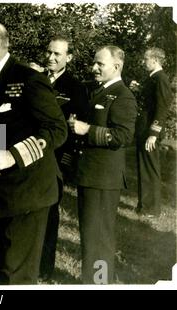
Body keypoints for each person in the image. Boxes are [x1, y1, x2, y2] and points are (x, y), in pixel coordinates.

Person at [0, 19, 67, 284]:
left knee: (16, 277)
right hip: (0, 196)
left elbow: (56, 129)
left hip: (29, 195)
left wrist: (12, 155)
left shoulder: (29, 79)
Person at [69, 45, 137, 284]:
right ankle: (92, 281)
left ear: (116, 67)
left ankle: (98, 284)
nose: (93, 67)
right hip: (91, 175)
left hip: (103, 178)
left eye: (100, 64)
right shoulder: (100, 91)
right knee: (90, 234)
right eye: (94, 62)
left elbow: (123, 137)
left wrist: (87, 130)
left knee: (99, 237)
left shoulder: (123, 96)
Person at [37, 36, 89, 281]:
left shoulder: (76, 88)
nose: (51, 57)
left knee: (49, 213)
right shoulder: (35, 80)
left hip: (55, 159)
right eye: (49, 52)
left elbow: (72, 129)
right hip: (29, 154)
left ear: (68, 58)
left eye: (57, 54)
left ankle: (44, 268)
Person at [134, 48, 173, 217]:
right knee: (144, 167)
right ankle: (144, 206)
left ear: (155, 60)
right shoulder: (152, 78)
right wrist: (138, 90)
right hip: (144, 130)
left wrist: (154, 134)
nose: (143, 62)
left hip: (150, 132)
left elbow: (162, 107)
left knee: (150, 168)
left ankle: (151, 209)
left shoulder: (161, 79)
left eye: (146, 59)